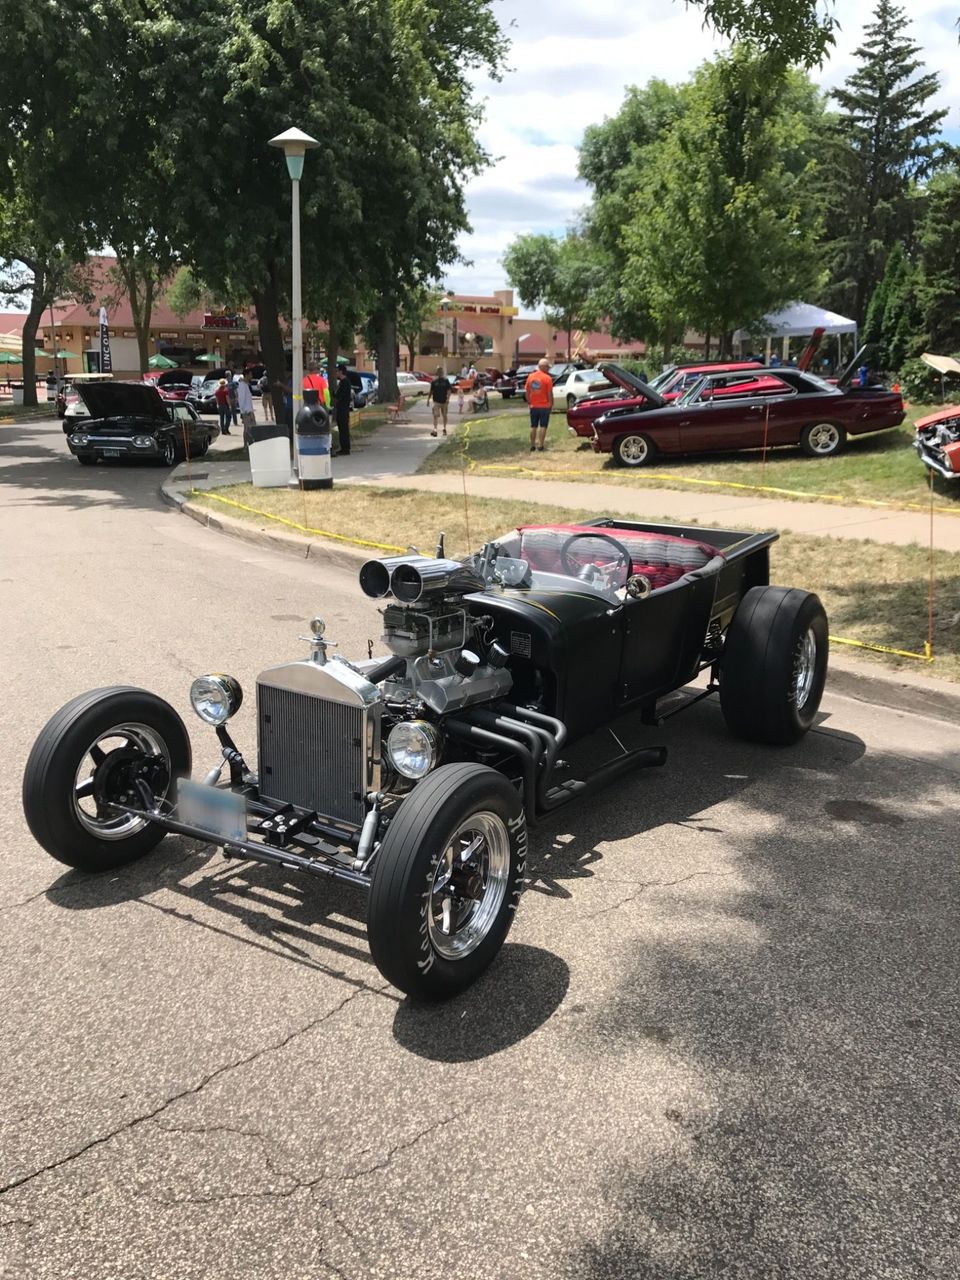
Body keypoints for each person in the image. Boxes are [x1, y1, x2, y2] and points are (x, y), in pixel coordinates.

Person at [526, 358, 554, 452]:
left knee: (533, 426)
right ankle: (541, 445)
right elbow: (549, 393)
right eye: (547, 367)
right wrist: (551, 404)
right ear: (543, 367)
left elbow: (527, 391)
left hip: (533, 406)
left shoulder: (530, 377)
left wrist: (529, 402)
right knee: (543, 426)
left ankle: (532, 445)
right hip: (544, 406)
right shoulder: (547, 378)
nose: (548, 369)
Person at [333, 365, 352, 456]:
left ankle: (345, 448)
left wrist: (335, 395)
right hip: (341, 408)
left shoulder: (345, 382)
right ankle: (344, 446)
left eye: (337, 371)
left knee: (343, 428)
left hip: (343, 408)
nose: (336, 373)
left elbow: (340, 395)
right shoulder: (341, 382)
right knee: (341, 427)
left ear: (341, 372)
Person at [428, 366, 451, 436]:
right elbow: (431, 391)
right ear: (437, 373)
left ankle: (444, 428)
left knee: (444, 415)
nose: (440, 373)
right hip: (436, 401)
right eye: (439, 371)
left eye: (441, 371)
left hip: (444, 401)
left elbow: (449, 391)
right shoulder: (434, 381)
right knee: (435, 416)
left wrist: (448, 399)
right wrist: (428, 400)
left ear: (443, 372)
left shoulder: (446, 381)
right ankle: (435, 430)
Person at [235, 369, 256, 444]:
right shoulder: (242, 386)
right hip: (247, 412)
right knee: (247, 429)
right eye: (250, 374)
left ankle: (250, 444)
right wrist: (245, 412)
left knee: (252, 429)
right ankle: (245, 446)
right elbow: (241, 400)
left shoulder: (246, 385)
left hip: (250, 410)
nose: (251, 376)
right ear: (246, 375)